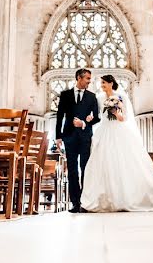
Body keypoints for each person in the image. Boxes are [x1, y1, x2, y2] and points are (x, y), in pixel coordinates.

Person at [79, 74, 153, 212]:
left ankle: (126, 198)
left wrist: (116, 113)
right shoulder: (99, 98)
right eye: (101, 83)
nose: (102, 85)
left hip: (119, 130)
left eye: (104, 83)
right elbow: (97, 115)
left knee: (123, 162)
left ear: (111, 83)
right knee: (102, 163)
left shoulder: (121, 97)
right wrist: (90, 117)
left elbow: (124, 118)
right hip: (104, 130)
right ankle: (103, 199)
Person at [55, 68, 101, 212]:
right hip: (69, 137)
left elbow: (97, 117)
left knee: (85, 168)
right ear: (79, 78)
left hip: (85, 137)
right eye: (87, 78)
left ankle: (85, 202)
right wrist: (58, 136)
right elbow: (60, 116)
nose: (89, 81)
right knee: (73, 170)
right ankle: (75, 203)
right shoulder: (65, 95)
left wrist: (84, 123)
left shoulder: (92, 97)